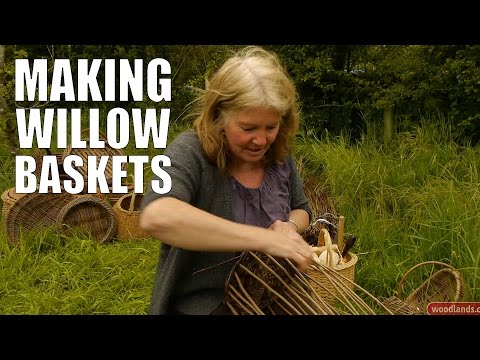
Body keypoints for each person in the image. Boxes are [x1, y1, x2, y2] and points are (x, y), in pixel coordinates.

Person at [140, 46, 314, 315]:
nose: (261, 140)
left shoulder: (279, 155)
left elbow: (302, 209)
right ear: (219, 116)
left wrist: (288, 228)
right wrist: (262, 239)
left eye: (271, 127)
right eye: (248, 128)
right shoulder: (187, 151)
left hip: (278, 293)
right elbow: (156, 215)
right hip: (208, 303)